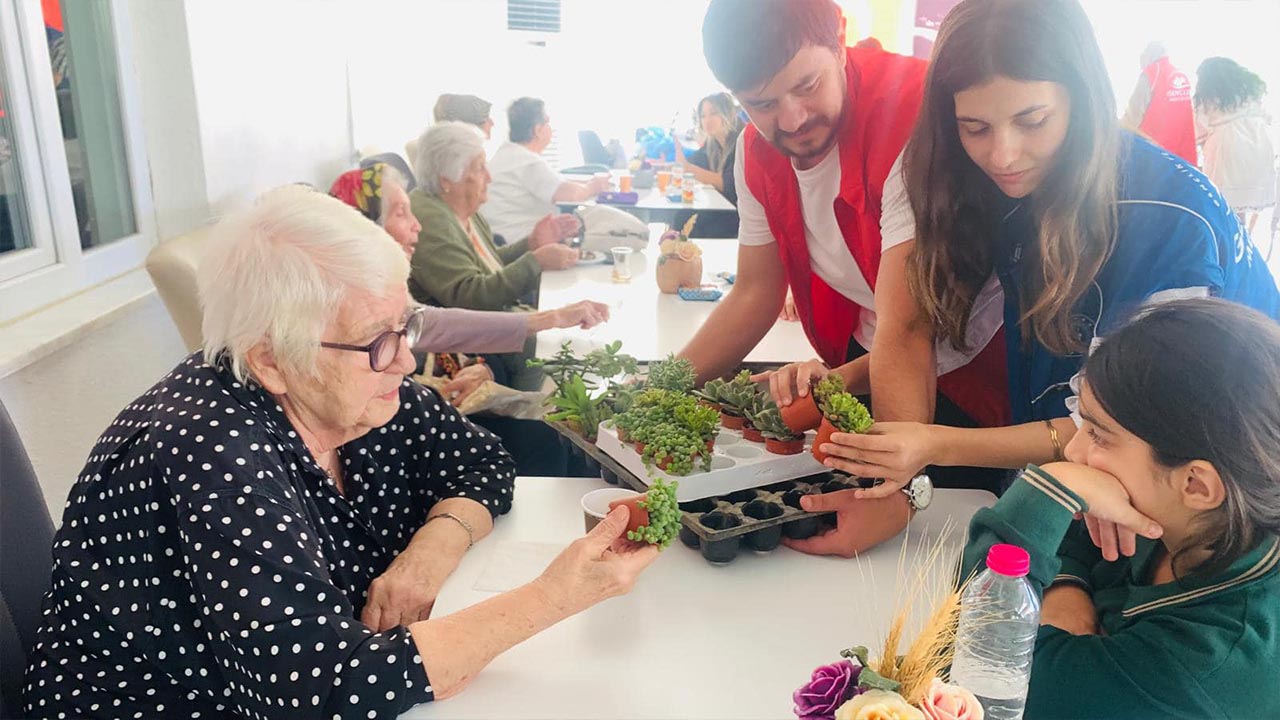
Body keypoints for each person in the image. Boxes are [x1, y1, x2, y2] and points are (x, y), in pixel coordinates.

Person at [21, 185, 659, 718]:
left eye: (404, 325)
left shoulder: (356, 381)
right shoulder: (207, 449)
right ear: (271, 359)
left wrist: (432, 550)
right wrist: (555, 596)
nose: (406, 359)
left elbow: (481, 460)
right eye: (381, 340)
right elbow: (318, 690)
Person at [815, 0, 1280, 534]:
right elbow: (917, 325)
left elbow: (1126, 423)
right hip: (1093, 475)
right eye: (975, 127)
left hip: (1209, 498)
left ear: (1082, 99)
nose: (1003, 156)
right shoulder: (1013, 184)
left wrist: (934, 444)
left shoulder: (1167, 218)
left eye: (1031, 120)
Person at [680, 0, 1011, 555]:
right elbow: (757, 291)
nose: (791, 119)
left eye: (807, 84)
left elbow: (912, 327)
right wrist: (660, 387)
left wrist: (894, 493)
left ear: (838, 37)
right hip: (877, 352)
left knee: (952, 525)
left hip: (972, 361)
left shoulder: (913, 116)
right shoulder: (755, 150)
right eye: (761, 103)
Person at [959, 298, 1280, 719]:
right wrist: (1065, 588)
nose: (1072, 452)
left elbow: (980, 667)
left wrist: (1051, 491)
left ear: (1196, 484)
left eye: (1098, 434)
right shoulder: (1193, 519)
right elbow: (1075, 537)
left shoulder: (1197, 668)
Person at [329, 164, 609, 476]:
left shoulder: (382, 285)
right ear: (367, 229)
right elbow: (441, 317)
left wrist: (491, 362)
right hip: (413, 428)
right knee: (556, 437)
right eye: (400, 213)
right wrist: (547, 313)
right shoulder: (357, 306)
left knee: (564, 429)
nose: (416, 225)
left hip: (443, 387)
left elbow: (425, 324)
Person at [407, 121, 582, 390]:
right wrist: (536, 260)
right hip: (454, 339)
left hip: (484, 317)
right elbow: (472, 296)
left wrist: (531, 244)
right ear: (446, 181)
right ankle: (526, 421)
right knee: (540, 342)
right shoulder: (431, 221)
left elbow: (486, 266)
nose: (489, 176)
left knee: (558, 325)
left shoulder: (458, 207)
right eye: (479, 168)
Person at [481, 97, 611, 243]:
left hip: (503, 239)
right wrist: (593, 187)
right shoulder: (526, 161)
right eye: (548, 122)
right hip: (518, 244)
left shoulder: (510, 154)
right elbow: (570, 195)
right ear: (538, 130)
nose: (551, 128)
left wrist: (587, 182)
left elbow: (557, 182)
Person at [1194, 57, 1276, 236]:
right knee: (1245, 201)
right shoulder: (1250, 92)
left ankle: (1232, 243)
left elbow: (1199, 128)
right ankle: (1245, 240)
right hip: (1259, 143)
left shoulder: (1209, 99)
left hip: (1227, 147)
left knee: (1225, 204)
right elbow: (1268, 118)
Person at [1122, 41, 1196, 164]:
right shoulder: (1181, 75)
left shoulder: (1150, 74)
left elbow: (1133, 115)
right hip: (1182, 152)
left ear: (1147, 55)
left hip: (1154, 152)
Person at [674, 92, 744, 200]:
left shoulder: (742, 141)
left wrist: (687, 168)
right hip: (720, 205)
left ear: (728, 113)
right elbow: (695, 161)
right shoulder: (713, 143)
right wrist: (668, 166)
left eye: (713, 113)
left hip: (739, 211)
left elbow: (728, 185)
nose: (707, 121)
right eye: (703, 116)